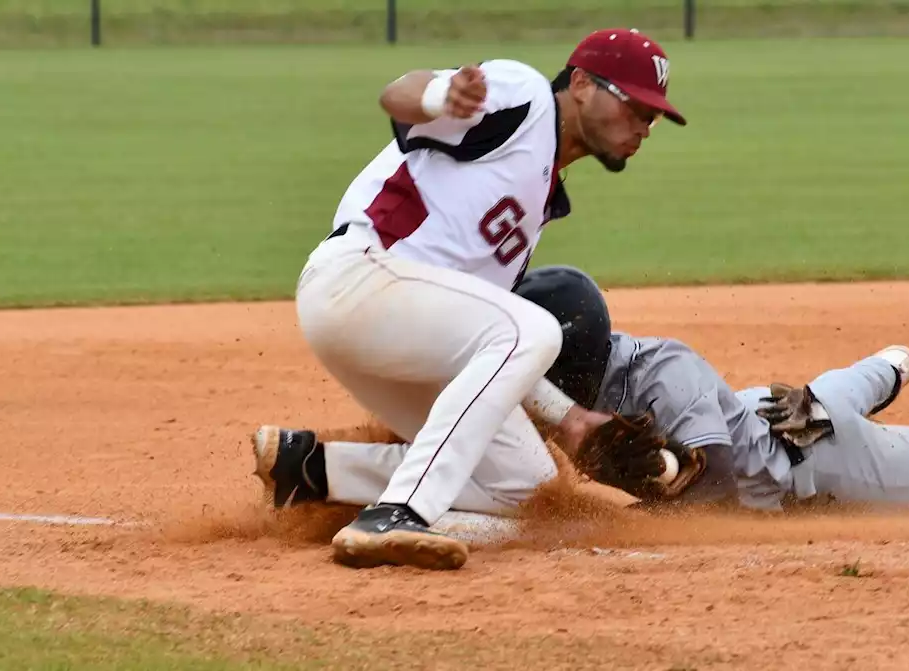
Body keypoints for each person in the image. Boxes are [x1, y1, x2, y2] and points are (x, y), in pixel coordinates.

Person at [254, 267, 909, 532]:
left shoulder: (658, 373)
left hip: (807, 459)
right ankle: (888, 362)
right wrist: (320, 461)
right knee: (822, 393)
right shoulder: (573, 383)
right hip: (772, 409)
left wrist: (650, 468)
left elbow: (704, 483)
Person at [285, 28, 687, 571]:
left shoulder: (539, 195)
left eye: (653, 116)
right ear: (584, 84)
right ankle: (399, 513)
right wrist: (440, 97)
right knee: (534, 328)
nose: (643, 126)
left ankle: (314, 473)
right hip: (359, 278)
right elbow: (399, 94)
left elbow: (487, 354)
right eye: (635, 106)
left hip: (402, 332)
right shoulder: (523, 99)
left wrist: (570, 422)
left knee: (531, 491)